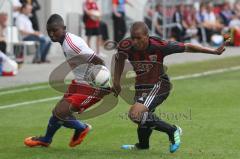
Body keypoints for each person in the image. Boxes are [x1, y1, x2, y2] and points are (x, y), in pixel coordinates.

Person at [112, 22, 228, 153]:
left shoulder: (160, 46)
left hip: (159, 85)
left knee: (136, 114)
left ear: (147, 36)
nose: (135, 41)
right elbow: (119, 60)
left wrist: (213, 51)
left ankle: (172, 130)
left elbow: (187, 47)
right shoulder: (126, 47)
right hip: (142, 86)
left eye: (139, 38)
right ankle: (142, 145)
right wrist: (116, 82)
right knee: (144, 117)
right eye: (133, 37)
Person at [24, 14, 110, 147]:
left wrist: (105, 85)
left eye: (55, 30)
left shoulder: (72, 44)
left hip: (91, 87)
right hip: (79, 83)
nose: (52, 34)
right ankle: (46, 140)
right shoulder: (64, 41)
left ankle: (82, 128)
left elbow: (98, 60)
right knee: (57, 112)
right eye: (49, 31)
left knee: (60, 112)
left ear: (63, 28)